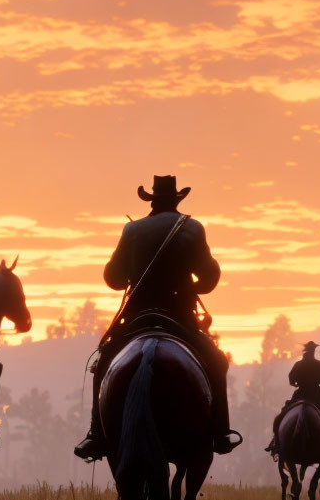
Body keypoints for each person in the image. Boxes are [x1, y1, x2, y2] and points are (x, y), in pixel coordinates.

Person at [74, 175, 241, 461]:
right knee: (216, 361)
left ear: (151, 200)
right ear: (177, 199)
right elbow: (210, 277)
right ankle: (221, 430)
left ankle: (96, 434)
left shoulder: (132, 230)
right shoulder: (192, 228)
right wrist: (193, 286)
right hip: (180, 317)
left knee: (102, 362)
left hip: (138, 316)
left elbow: (112, 278)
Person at [265, 341, 320, 460]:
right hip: (316, 396)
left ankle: (276, 442)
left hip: (299, 395)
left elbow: (291, 379)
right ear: (314, 351)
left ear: (305, 351)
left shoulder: (298, 364)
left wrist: (296, 383)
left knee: (281, 415)